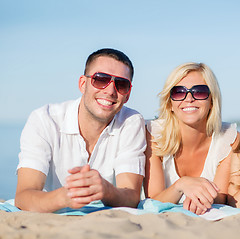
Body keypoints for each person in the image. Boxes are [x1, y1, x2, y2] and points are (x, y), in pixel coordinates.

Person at [15, 48, 146, 213]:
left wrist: (106, 190)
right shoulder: (45, 119)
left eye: (121, 84)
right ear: (83, 84)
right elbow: (23, 196)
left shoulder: (131, 122)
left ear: (127, 95)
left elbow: (131, 196)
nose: (110, 91)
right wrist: (65, 197)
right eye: (101, 79)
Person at [144, 62, 237, 215]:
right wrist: (181, 185)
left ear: (212, 101)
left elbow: (221, 199)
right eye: (179, 92)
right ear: (170, 103)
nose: (189, 98)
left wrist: (200, 200)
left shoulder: (229, 138)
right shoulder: (153, 134)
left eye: (199, 92)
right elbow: (154, 200)